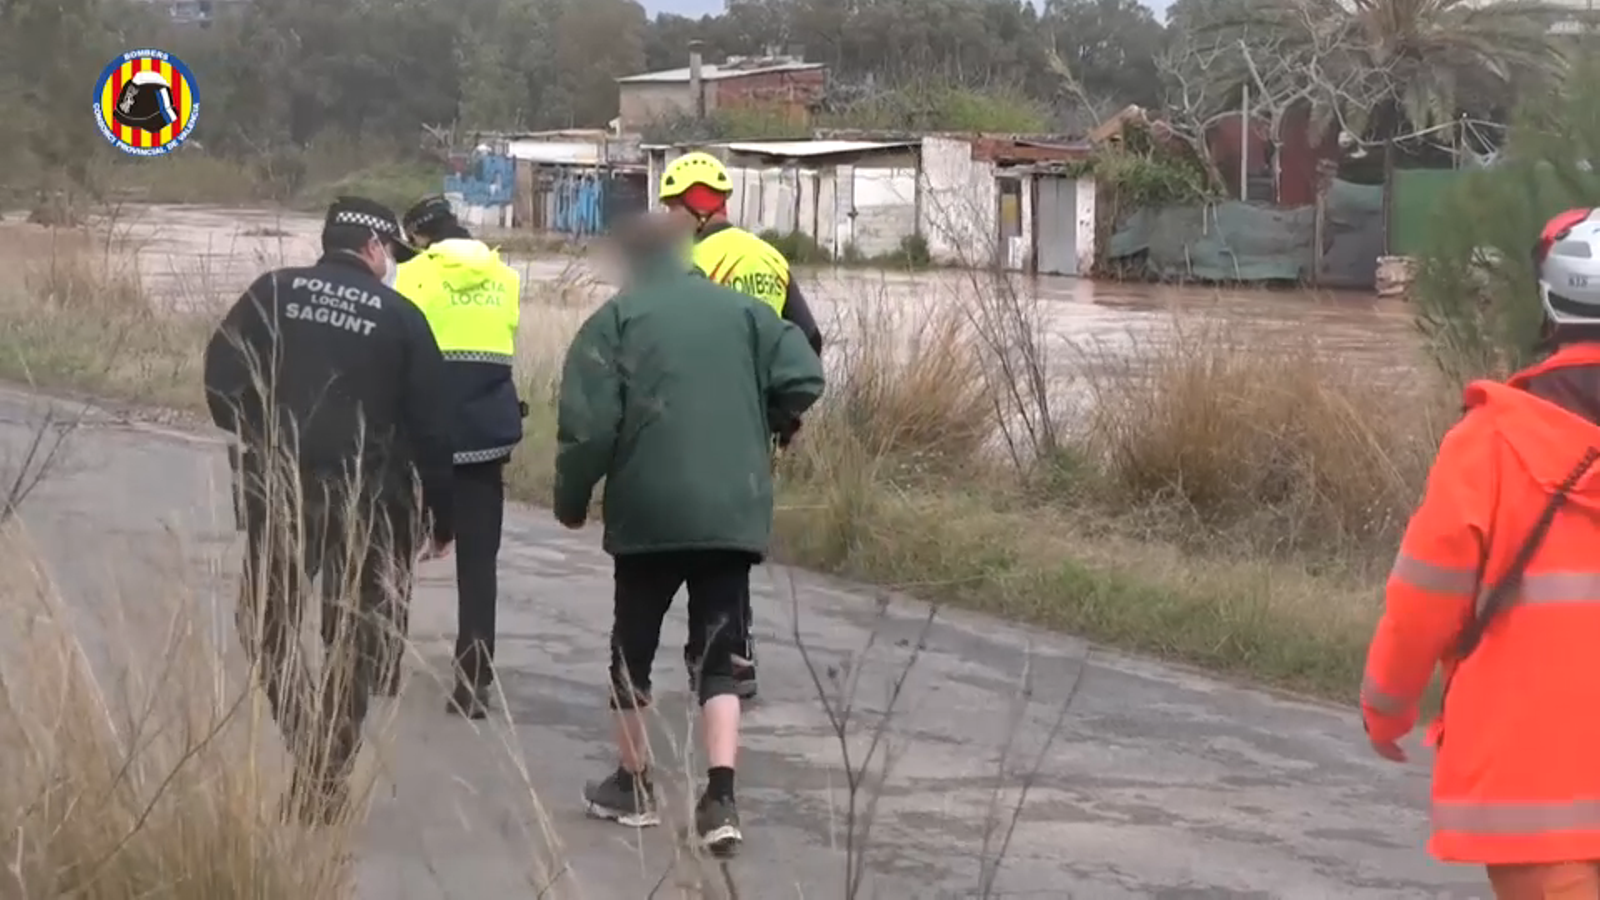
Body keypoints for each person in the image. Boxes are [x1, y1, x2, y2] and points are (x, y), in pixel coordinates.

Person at [553, 210, 825, 852]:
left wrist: (571, 500)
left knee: (632, 652)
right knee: (719, 656)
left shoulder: (616, 319)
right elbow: (805, 376)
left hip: (648, 512)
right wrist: (767, 422)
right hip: (732, 510)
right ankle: (722, 800)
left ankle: (633, 783)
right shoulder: (745, 313)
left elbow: (587, 427)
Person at [1360, 208, 1600, 899]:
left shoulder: (1490, 444)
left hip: (1537, 794)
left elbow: (1422, 601)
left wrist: (1387, 705)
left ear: (1551, 302)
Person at [203, 196, 456, 823]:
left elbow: (219, 377)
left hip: (281, 490)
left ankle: (310, 750)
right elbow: (433, 426)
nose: (391, 264)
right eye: (390, 254)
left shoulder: (273, 292)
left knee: (266, 624)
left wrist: (260, 434)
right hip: (370, 503)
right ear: (372, 248)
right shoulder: (402, 318)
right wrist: (442, 514)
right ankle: (326, 764)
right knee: (358, 639)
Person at [657, 150, 826, 701]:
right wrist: (783, 417)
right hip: (755, 422)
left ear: (693, 208)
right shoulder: (769, 258)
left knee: (695, 538)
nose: (667, 218)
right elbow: (809, 339)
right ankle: (738, 653)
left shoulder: (688, 263)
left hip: (701, 419)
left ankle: (710, 653)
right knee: (737, 535)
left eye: (671, 207)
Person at [395, 194, 524, 720]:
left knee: (395, 548)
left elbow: (399, 349)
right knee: (478, 566)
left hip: (422, 440)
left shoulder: (414, 276)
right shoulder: (505, 276)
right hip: (485, 438)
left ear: (420, 238)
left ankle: (379, 661)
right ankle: (473, 683)